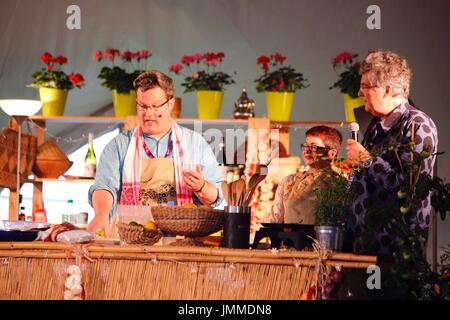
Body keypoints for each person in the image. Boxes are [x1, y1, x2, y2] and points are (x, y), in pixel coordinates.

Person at [87, 70, 223, 237]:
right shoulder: (119, 145)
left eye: (156, 106)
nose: (148, 113)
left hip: (181, 245)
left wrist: (201, 187)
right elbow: (105, 187)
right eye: (142, 106)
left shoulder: (196, 144)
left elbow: (215, 196)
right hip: (132, 242)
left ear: (170, 104)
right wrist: (101, 215)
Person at [346, 50, 438, 256]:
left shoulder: (417, 125)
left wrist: (366, 161)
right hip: (363, 248)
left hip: (395, 255)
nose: (359, 93)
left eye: (364, 86)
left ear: (386, 90)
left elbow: (409, 187)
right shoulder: (375, 125)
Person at [271, 125, 343, 224]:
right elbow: (275, 220)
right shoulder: (289, 181)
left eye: (313, 147)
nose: (307, 150)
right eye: (305, 145)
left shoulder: (338, 184)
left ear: (331, 153)